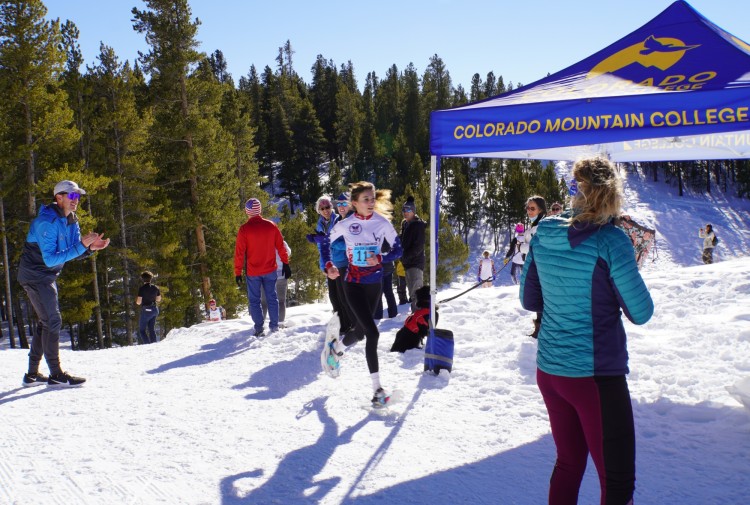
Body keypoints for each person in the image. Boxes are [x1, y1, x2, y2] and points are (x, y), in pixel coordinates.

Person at [520, 157, 654, 505]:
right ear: (612, 194)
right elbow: (641, 312)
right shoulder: (611, 241)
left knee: (568, 463)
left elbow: (529, 297)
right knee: (617, 482)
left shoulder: (545, 230)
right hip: (595, 378)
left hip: (551, 370)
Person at [18, 180, 110, 387]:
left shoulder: (71, 220)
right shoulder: (46, 223)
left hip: (46, 276)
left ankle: (32, 375)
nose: (76, 200)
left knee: (46, 322)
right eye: (72, 196)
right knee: (53, 321)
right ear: (58, 198)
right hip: (35, 276)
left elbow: (68, 254)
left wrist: (89, 249)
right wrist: (82, 246)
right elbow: (51, 259)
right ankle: (56, 374)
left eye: (78, 196)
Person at [321, 181, 403, 407]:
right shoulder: (345, 224)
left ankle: (335, 350)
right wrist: (328, 265)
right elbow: (326, 242)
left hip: (374, 283)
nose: (370, 203)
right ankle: (377, 390)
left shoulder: (382, 223)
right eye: (365, 200)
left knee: (359, 331)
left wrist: (381, 258)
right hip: (353, 283)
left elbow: (398, 249)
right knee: (372, 333)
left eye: (372, 199)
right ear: (354, 203)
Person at [234, 198, 291, 337]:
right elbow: (281, 246)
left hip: (253, 272)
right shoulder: (271, 226)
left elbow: (239, 253)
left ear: (247, 212)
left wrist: (237, 272)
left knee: (254, 300)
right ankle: (274, 326)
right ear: (260, 210)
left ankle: (259, 328)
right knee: (272, 298)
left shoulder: (244, 229)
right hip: (270, 269)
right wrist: (286, 263)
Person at [307, 195, 352, 334]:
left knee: (343, 297)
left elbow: (345, 244)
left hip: (342, 262)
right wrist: (324, 267)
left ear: (332, 207)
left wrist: (327, 240)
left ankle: (350, 324)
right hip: (330, 265)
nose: (325, 210)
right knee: (334, 298)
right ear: (318, 210)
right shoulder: (320, 225)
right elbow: (321, 249)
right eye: (322, 208)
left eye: (327, 207)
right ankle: (341, 325)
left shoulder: (339, 220)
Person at [522, 195, 547, 338]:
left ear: (541, 210)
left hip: (540, 269)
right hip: (535, 268)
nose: (529, 211)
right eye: (528, 208)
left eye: (533, 208)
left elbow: (537, 248)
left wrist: (523, 247)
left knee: (541, 299)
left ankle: (541, 330)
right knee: (539, 298)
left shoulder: (541, 227)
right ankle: (539, 329)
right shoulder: (535, 226)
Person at [400, 196, 426, 312]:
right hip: (408, 264)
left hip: (415, 264)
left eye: (408, 210)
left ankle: (421, 318)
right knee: (413, 294)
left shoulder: (418, 225)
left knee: (417, 294)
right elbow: (402, 241)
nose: (406, 213)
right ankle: (417, 317)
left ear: (414, 211)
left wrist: (405, 257)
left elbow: (418, 247)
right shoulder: (406, 225)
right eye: (404, 210)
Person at [261, 240, 292, 325]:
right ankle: (280, 322)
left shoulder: (263, 242)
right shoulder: (282, 242)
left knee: (264, 302)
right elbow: (288, 253)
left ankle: (260, 323)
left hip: (266, 275)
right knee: (281, 301)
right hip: (281, 274)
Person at [135, 271, 162, 344]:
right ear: (151, 278)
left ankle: (147, 345)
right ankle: (154, 344)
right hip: (154, 310)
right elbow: (159, 299)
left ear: (142, 279)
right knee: (151, 329)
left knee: (142, 330)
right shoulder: (156, 287)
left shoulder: (142, 289)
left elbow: (138, 302)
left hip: (146, 310)